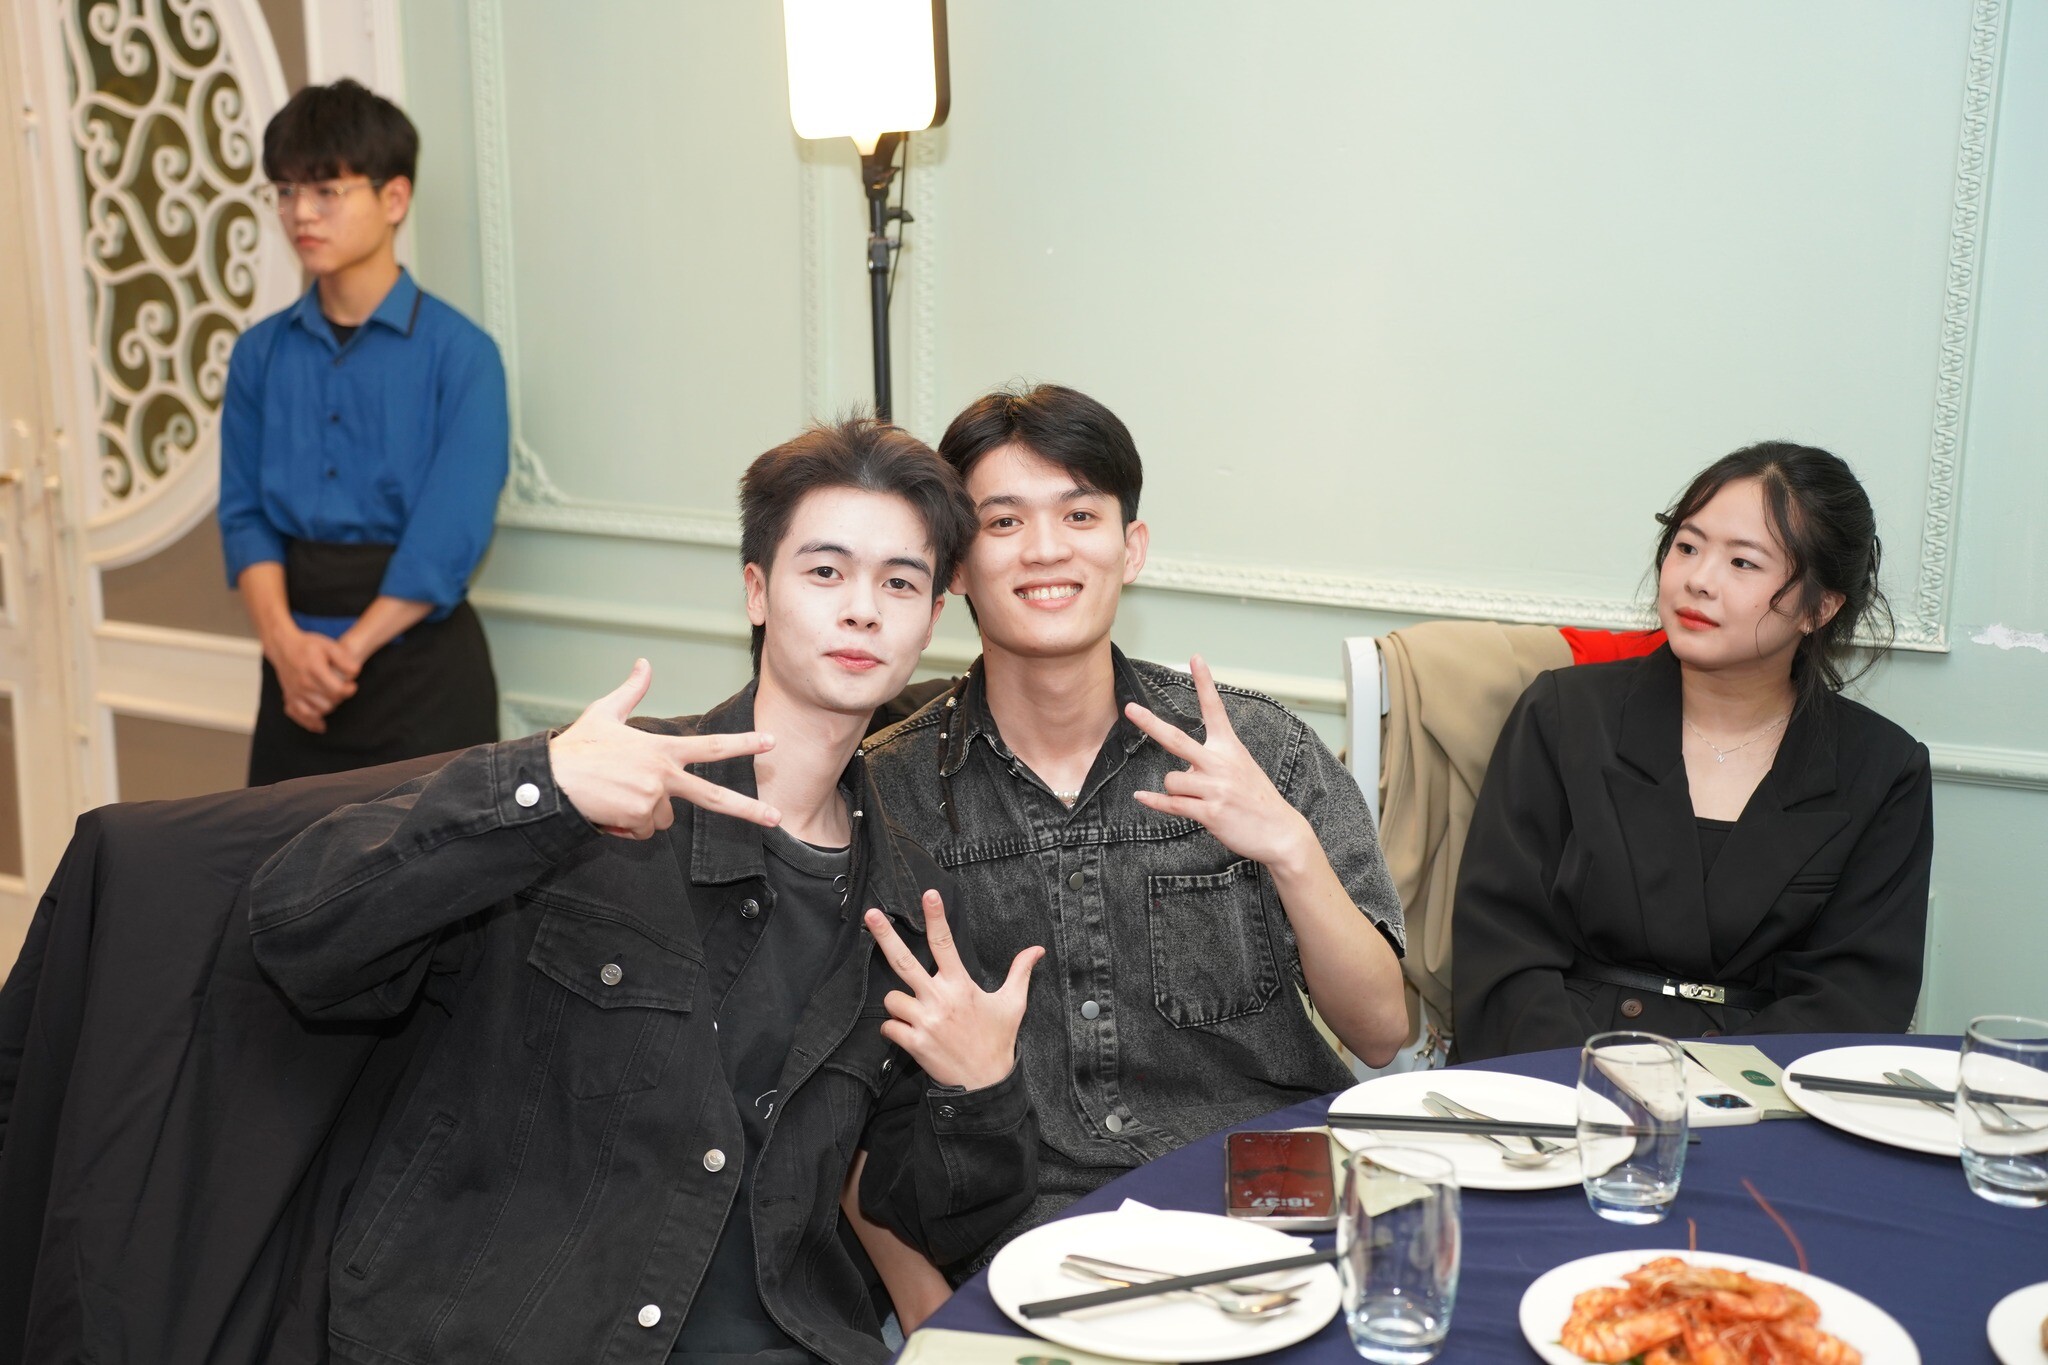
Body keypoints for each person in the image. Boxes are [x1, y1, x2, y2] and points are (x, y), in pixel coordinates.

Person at [248, 419, 1042, 1365]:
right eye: (825, 572)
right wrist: (538, 788)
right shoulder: (593, 795)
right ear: (757, 589)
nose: (863, 610)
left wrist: (981, 1091)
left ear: (934, 617)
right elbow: (298, 930)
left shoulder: (914, 906)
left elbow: (934, 1223)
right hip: (515, 1332)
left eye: (900, 583)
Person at [859, 383, 1408, 1255]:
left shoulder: (1258, 746)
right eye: (1003, 521)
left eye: (1080, 515)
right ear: (956, 564)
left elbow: (1382, 1030)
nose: (1046, 548)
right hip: (1042, 1225)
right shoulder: (891, 792)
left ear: (1131, 546)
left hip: (1272, 1183)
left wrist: (1289, 848)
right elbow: (854, 1133)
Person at [1452, 442, 1933, 1061]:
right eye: (1687, 547)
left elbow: (1853, 999)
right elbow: (1502, 948)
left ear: (1819, 607)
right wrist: (1592, 1085)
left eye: (1743, 562)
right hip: (1558, 1071)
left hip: (1760, 1088)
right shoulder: (1563, 714)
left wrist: (1708, 1092)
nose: (1698, 580)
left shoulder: (1882, 769)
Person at [218, 79, 509, 786]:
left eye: (327, 191)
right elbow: (245, 516)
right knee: (283, 854)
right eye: (286, 191)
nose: (300, 212)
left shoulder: (462, 355)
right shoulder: (258, 355)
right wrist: (287, 649)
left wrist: (341, 657)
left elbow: (447, 540)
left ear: (394, 198)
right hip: (294, 674)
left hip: (421, 673)